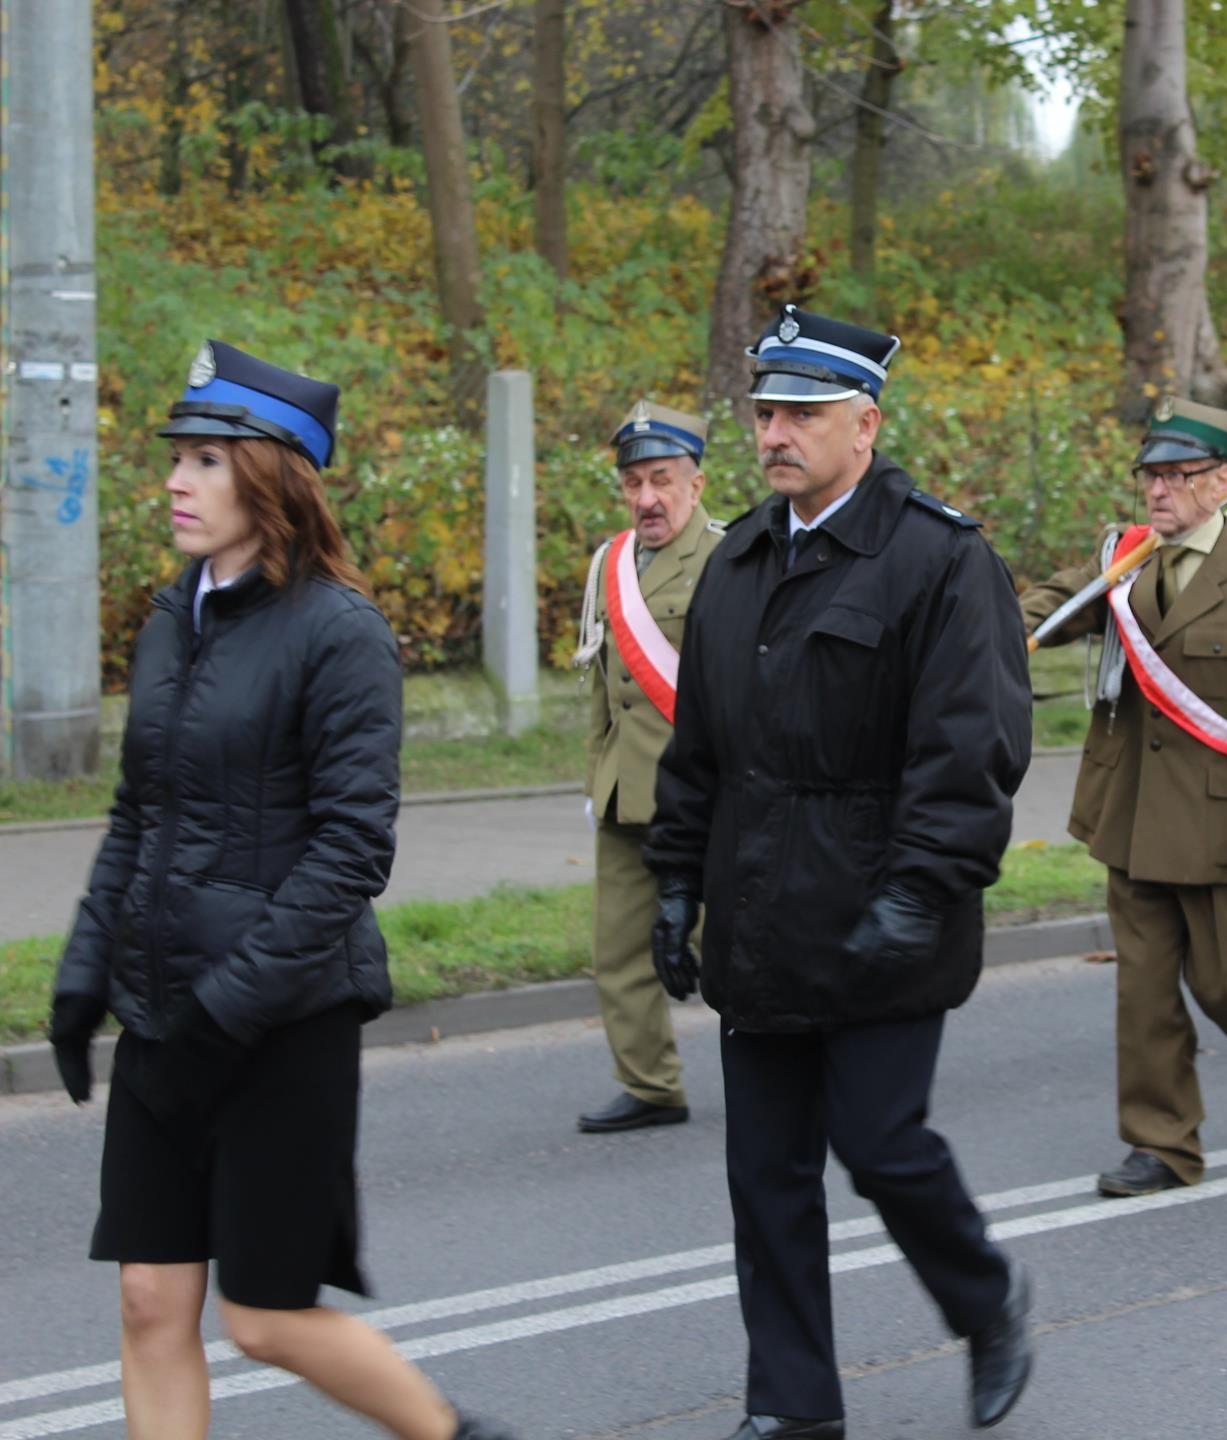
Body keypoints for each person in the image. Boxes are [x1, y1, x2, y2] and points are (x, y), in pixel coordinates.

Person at [44, 341, 513, 1439]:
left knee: (265, 1317)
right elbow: (137, 815)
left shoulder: (339, 634)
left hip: (282, 1020)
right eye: (177, 457)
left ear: (273, 477)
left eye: (207, 459)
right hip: (167, 1008)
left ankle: (457, 1435)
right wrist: (82, 973)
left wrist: (229, 1009)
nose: (175, 479)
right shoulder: (172, 621)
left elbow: (353, 853)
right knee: (151, 1296)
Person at [643, 306, 1036, 1439]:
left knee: (880, 1146)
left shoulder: (939, 559)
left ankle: (987, 1298)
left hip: (881, 914)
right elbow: (700, 744)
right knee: (766, 1182)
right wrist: (677, 880)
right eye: (766, 411)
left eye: (803, 414)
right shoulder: (737, 564)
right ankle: (795, 1409)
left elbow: (973, 746)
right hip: (762, 918)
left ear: (865, 424)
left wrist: (920, 890)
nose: (776, 432)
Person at [1019, 397, 1227, 1195]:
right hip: (1129, 815)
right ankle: (1162, 1144)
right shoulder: (1123, 558)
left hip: (1223, 826)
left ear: (1223, 480)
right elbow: (1045, 612)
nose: (1158, 492)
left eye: (1176, 475)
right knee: (1144, 992)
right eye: (1150, 476)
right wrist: (971, 618)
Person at [569, 398, 726, 1134]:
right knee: (620, 952)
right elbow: (600, 684)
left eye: (662, 480)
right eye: (633, 483)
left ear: (695, 483)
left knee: (729, 945)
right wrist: (599, 776)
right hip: (627, 793)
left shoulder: (729, 557)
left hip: (707, 799)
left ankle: (791, 1066)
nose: (646, 499)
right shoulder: (610, 561)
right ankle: (650, 1085)